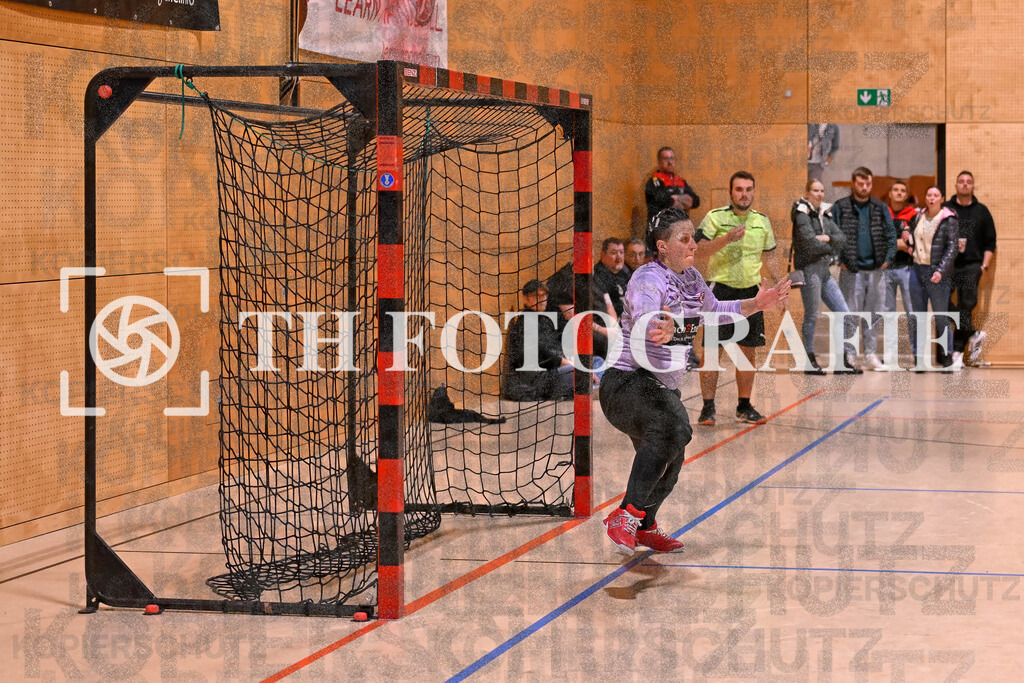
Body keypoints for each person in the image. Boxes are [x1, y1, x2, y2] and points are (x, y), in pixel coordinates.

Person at [600, 208, 790, 554]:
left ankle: (644, 525)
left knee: (673, 456)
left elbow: (715, 311)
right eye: (684, 239)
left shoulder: (692, 279)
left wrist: (757, 303)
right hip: (626, 383)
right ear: (663, 246)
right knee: (676, 428)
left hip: (658, 388)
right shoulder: (648, 278)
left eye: (693, 237)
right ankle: (624, 515)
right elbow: (648, 320)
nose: (693, 244)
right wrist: (669, 324)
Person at [695, 171, 779, 426]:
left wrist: (779, 287)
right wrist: (726, 239)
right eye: (739, 189)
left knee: (748, 351)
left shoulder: (762, 221)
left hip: (751, 293)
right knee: (712, 351)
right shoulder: (715, 217)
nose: (744, 193)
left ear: (754, 191)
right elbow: (699, 250)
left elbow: (771, 255)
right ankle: (707, 407)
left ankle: (744, 406)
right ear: (731, 192)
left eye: (749, 189)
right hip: (720, 291)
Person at [831, 167, 897, 371]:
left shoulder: (880, 207)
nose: (864, 187)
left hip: (876, 271)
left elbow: (891, 235)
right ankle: (850, 356)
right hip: (852, 270)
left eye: (868, 183)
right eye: (860, 183)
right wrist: (839, 259)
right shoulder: (840, 206)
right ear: (853, 183)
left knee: (874, 314)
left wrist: (888, 258)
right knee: (850, 314)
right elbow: (832, 233)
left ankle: (870, 355)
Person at [791, 179, 859, 375]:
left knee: (844, 313)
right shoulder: (801, 213)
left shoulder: (824, 213)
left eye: (822, 190)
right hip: (809, 269)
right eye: (815, 190)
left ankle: (842, 361)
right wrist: (830, 246)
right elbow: (809, 243)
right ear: (807, 192)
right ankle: (809, 360)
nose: (820, 194)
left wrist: (828, 238)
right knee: (812, 315)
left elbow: (842, 239)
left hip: (824, 270)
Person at [943, 171, 997, 365]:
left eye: (968, 182)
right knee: (942, 303)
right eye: (961, 181)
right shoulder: (946, 209)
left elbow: (991, 242)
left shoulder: (981, 211)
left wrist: (984, 266)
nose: (965, 185)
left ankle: (957, 352)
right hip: (948, 265)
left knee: (967, 305)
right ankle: (974, 333)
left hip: (972, 265)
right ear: (956, 185)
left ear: (973, 186)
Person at [907, 187, 959, 370]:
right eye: (929, 195)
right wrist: (908, 243)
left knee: (941, 317)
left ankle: (946, 356)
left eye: (936, 195)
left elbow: (952, 248)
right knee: (918, 317)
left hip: (937, 272)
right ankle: (919, 358)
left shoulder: (948, 219)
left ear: (942, 199)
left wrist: (941, 270)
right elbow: (913, 237)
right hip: (916, 270)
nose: (931, 198)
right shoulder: (919, 215)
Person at [502, 280, 573, 400]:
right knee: (581, 373)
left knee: (594, 362)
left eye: (544, 295)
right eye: (537, 296)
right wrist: (569, 364)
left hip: (549, 374)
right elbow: (542, 353)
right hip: (535, 383)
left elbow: (554, 347)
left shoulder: (543, 320)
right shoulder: (526, 323)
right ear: (525, 299)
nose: (542, 299)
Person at [885, 180, 918, 366]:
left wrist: (896, 244)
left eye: (902, 191)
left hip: (908, 269)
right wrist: (901, 244)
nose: (898, 193)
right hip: (886, 270)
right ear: (889, 193)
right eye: (895, 190)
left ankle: (916, 354)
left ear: (906, 195)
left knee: (912, 312)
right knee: (888, 313)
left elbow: (914, 244)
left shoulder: (914, 215)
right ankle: (890, 356)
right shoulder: (882, 214)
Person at [644, 147, 700, 223]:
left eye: (672, 158)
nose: (670, 162)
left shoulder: (681, 181)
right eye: (666, 159)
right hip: (661, 227)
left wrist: (676, 199)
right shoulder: (654, 181)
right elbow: (662, 202)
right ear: (659, 162)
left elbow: (696, 201)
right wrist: (683, 200)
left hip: (680, 226)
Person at [593, 238, 630, 317]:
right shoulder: (596, 277)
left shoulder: (627, 273)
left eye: (621, 252)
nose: (619, 257)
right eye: (613, 253)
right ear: (603, 254)